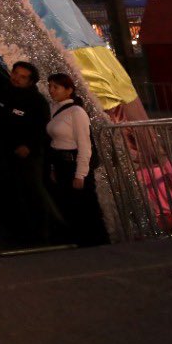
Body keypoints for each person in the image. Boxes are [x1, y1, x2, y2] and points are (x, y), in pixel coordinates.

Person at [0, 61, 54, 246]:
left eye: (22, 76)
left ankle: (41, 234)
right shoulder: (3, 92)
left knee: (32, 192)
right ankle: (17, 234)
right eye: (15, 73)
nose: (16, 78)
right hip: (6, 153)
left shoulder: (37, 101)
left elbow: (44, 128)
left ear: (30, 81)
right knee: (12, 193)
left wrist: (29, 146)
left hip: (28, 157)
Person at [45, 72, 107, 246]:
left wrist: (80, 174)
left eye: (55, 87)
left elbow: (84, 144)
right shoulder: (55, 109)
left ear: (69, 90)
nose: (51, 90)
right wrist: (53, 168)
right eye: (50, 86)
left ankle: (94, 242)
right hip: (60, 163)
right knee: (69, 203)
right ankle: (78, 239)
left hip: (73, 164)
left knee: (84, 205)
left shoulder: (76, 112)